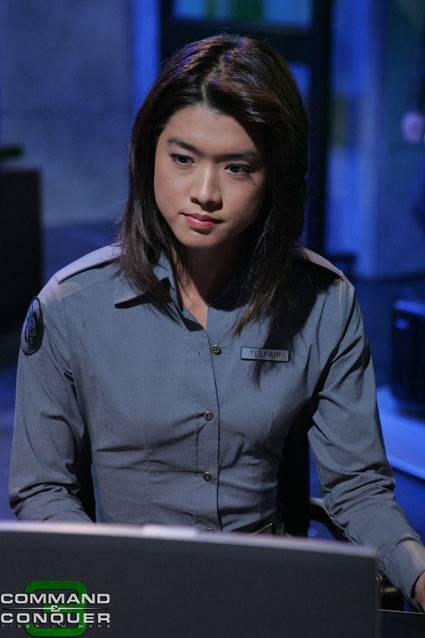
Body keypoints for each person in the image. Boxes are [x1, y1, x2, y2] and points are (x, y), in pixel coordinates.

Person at [10, 34, 425, 609]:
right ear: (148, 155)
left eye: (236, 168)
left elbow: (358, 489)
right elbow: (43, 491)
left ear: (274, 176)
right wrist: (109, 589)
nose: (204, 193)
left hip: (267, 596)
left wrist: (418, 574)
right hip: (130, 596)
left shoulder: (324, 302)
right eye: (182, 159)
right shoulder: (69, 307)